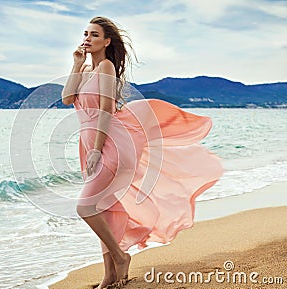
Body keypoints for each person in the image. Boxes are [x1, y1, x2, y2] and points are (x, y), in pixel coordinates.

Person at [61, 16, 223, 289]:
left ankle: (120, 256)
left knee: (85, 207)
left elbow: (105, 112)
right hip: (89, 143)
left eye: (95, 35)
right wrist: (76, 64)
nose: (88, 38)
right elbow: (67, 98)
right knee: (104, 208)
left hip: (108, 144)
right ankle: (110, 276)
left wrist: (97, 150)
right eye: (86, 33)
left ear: (107, 41)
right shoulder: (87, 70)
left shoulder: (107, 68)